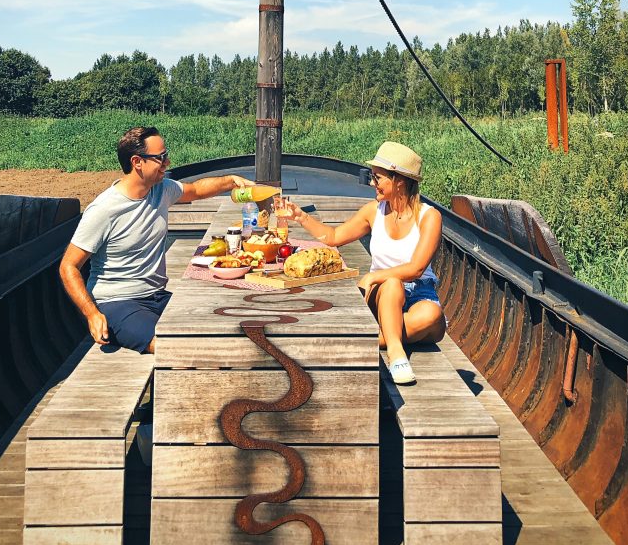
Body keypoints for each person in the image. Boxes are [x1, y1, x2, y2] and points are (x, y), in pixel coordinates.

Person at [60, 125, 253, 354]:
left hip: (157, 296)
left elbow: (196, 190)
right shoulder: (105, 209)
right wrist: (92, 314)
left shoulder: (160, 189)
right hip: (117, 303)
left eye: (166, 155)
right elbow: (68, 266)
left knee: (215, 323)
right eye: (160, 158)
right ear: (137, 162)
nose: (167, 162)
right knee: (174, 346)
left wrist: (231, 180)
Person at [282, 141, 445, 385]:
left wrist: (372, 276)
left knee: (432, 315)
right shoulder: (373, 211)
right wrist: (301, 217)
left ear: (399, 180)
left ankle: (365, 337)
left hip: (419, 292)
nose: (372, 183)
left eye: (377, 178)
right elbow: (335, 237)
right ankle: (397, 354)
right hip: (383, 295)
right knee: (392, 285)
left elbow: (417, 268)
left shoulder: (429, 217)